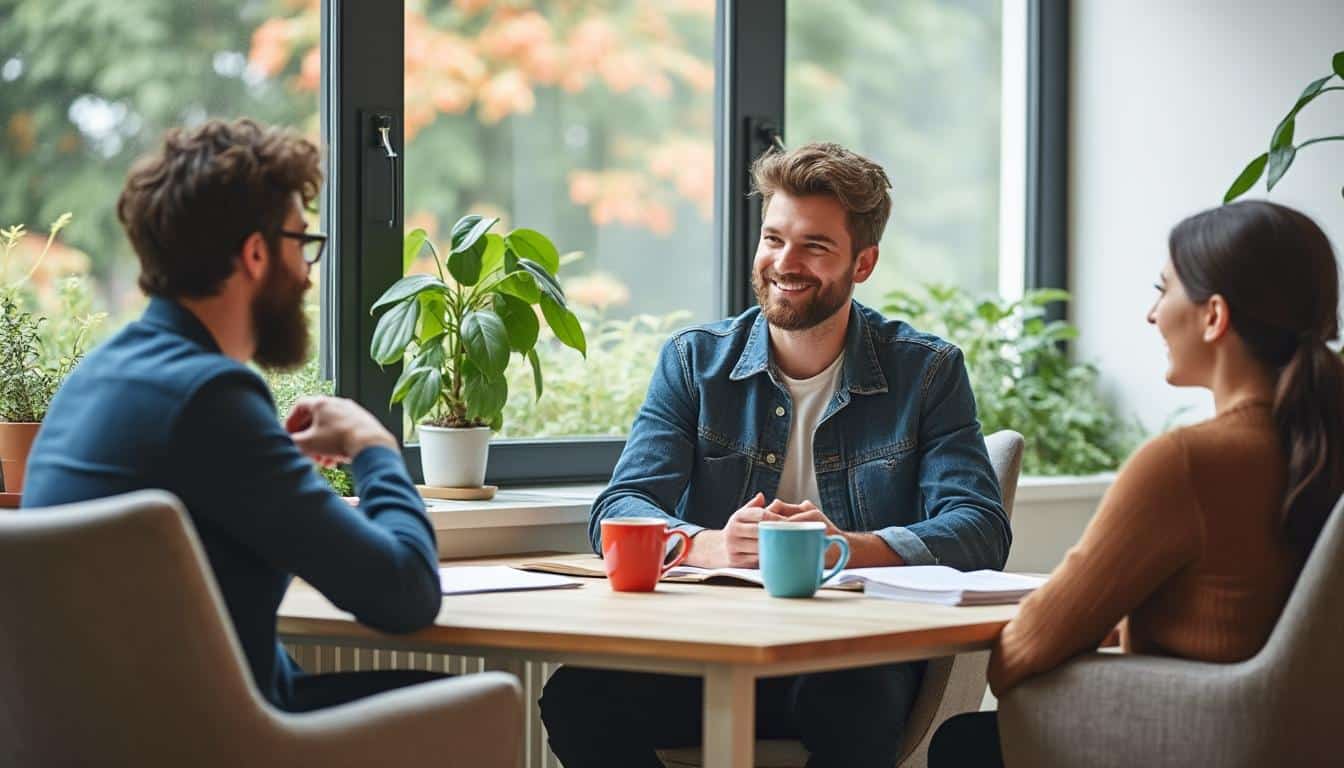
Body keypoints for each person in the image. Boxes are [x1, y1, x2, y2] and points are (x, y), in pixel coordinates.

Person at [539, 142, 1011, 768]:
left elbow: (979, 529)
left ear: (862, 263)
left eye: (815, 246)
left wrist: (845, 545)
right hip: (713, 647)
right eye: (773, 238)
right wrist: (709, 545)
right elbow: (619, 509)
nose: (785, 263)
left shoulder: (928, 371)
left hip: (851, 656)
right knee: (577, 696)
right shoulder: (693, 363)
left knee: (851, 701)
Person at [22, 118, 446, 712]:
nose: (306, 273)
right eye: (302, 243)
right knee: (473, 704)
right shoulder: (211, 397)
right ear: (254, 253)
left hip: (109, 739)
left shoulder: (98, 378)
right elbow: (406, 593)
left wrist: (271, 457)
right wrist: (374, 446)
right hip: (211, 744)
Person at [928, 200, 1344, 767]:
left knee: (961, 745)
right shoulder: (1320, 447)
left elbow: (1019, 655)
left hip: (1196, 742)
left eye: (1163, 288)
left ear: (1214, 316)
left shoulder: (1188, 462)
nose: (1152, 314)